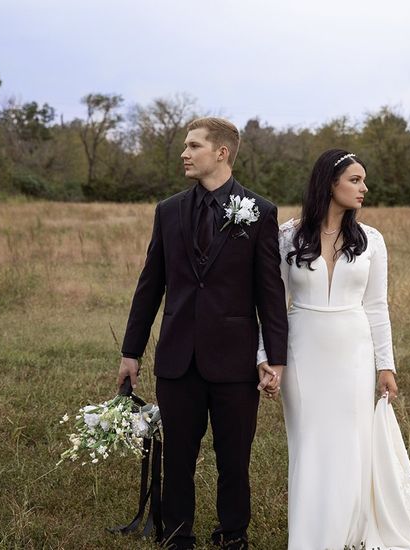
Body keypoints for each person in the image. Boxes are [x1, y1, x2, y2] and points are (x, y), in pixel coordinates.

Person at [257, 149, 410, 549]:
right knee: (310, 444)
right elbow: (270, 306)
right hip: (302, 352)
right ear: (329, 184)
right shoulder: (287, 236)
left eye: (363, 180)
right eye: (355, 180)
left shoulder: (371, 241)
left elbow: (377, 306)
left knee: (352, 444)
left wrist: (386, 365)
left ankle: (350, 533)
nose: (364, 188)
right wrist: (266, 359)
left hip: (354, 352)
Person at [117, 117, 288, 550]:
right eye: (185, 146)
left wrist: (277, 359)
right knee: (178, 457)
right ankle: (177, 536)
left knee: (235, 459)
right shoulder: (168, 211)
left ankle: (233, 536)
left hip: (234, 361)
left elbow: (270, 294)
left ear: (221, 153)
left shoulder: (260, 212)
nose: (184, 153)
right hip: (177, 359)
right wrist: (131, 351)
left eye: (193, 146)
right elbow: (149, 284)